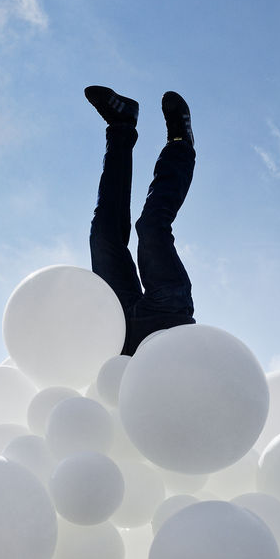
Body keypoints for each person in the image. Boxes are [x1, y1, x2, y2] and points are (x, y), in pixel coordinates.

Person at [84, 86, 196, 356]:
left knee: (102, 235)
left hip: (117, 330)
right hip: (167, 318)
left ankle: (121, 124)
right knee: (151, 228)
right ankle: (180, 142)